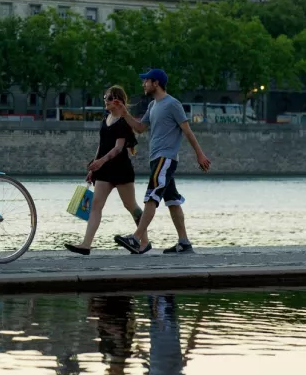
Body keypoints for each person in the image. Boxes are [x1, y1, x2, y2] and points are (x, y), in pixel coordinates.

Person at [113, 68, 211, 254]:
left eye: (146, 81)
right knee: (172, 200)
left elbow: (187, 131)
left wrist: (200, 154)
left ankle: (135, 238)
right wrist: (124, 112)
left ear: (156, 83)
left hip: (165, 159)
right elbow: (140, 128)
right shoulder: (153, 106)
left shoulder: (173, 104)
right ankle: (184, 242)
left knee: (151, 196)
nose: (143, 84)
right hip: (156, 159)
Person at [65, 86, 143, 255]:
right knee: (95, 206)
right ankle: (86, 244)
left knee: (131, 206)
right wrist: (94, 166)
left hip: (121, 170)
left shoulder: (123, 122)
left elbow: (118, 149)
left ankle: (144, 241)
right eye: (105, 98)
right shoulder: (105, 118)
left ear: (117, 101)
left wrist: (100, 161)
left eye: (108, 98)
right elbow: (102, 145)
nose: (105, 101)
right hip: (104, 170)